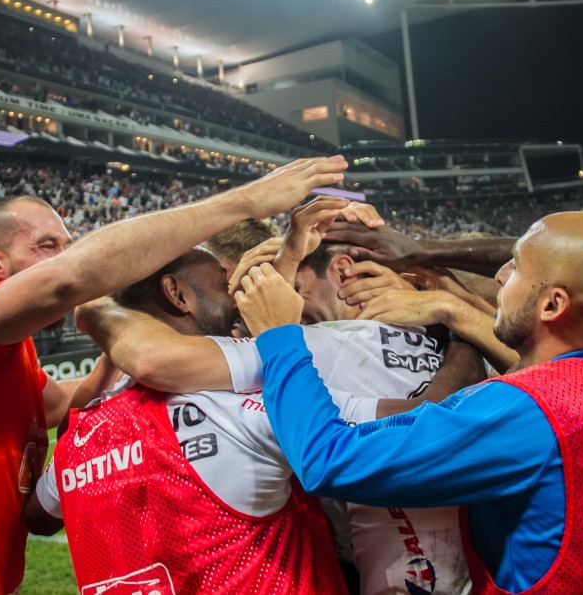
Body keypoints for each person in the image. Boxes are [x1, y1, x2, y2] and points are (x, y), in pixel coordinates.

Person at [0, 156, 346, 594]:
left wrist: (119, 332)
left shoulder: (9, 359)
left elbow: (66, 403)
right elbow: (68, 280)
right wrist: (248, 200)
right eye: (46, 247)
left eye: (66, 246)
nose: (61, 257)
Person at [235, 211, 583, 594]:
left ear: (552, 305)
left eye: (515, 266)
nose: (500, 276)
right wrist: (449, 310)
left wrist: (279, 336)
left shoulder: (526, 414)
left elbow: (327, 461)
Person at [75, 198, 480, 595]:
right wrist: (457, 315)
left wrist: (95, 310)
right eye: (233, 286)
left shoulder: (305, 349)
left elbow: (155, 357)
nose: (248, 304)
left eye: (290, 287)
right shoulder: (446, 328)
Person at [24, 248, 348, 594]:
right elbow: (372, 427)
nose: (236, 298)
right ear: (177, 294)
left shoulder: (81, 435)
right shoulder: (249, 399)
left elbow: (37, 518)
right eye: (223, 285)